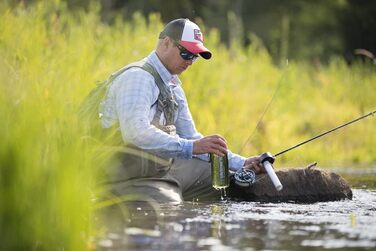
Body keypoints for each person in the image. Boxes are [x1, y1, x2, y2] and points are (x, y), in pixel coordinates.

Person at [100, 18, 264, 203]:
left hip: (156, 169)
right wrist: (192, 147)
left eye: (195, 56)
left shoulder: (173, 85)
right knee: (168, 203)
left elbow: (191, 137)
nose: (190, 61)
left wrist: (243, 163)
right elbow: (135, 133)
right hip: (118, 176)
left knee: (225, 180)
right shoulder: (138, 78)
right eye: (186, 53)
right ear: (166, 43)